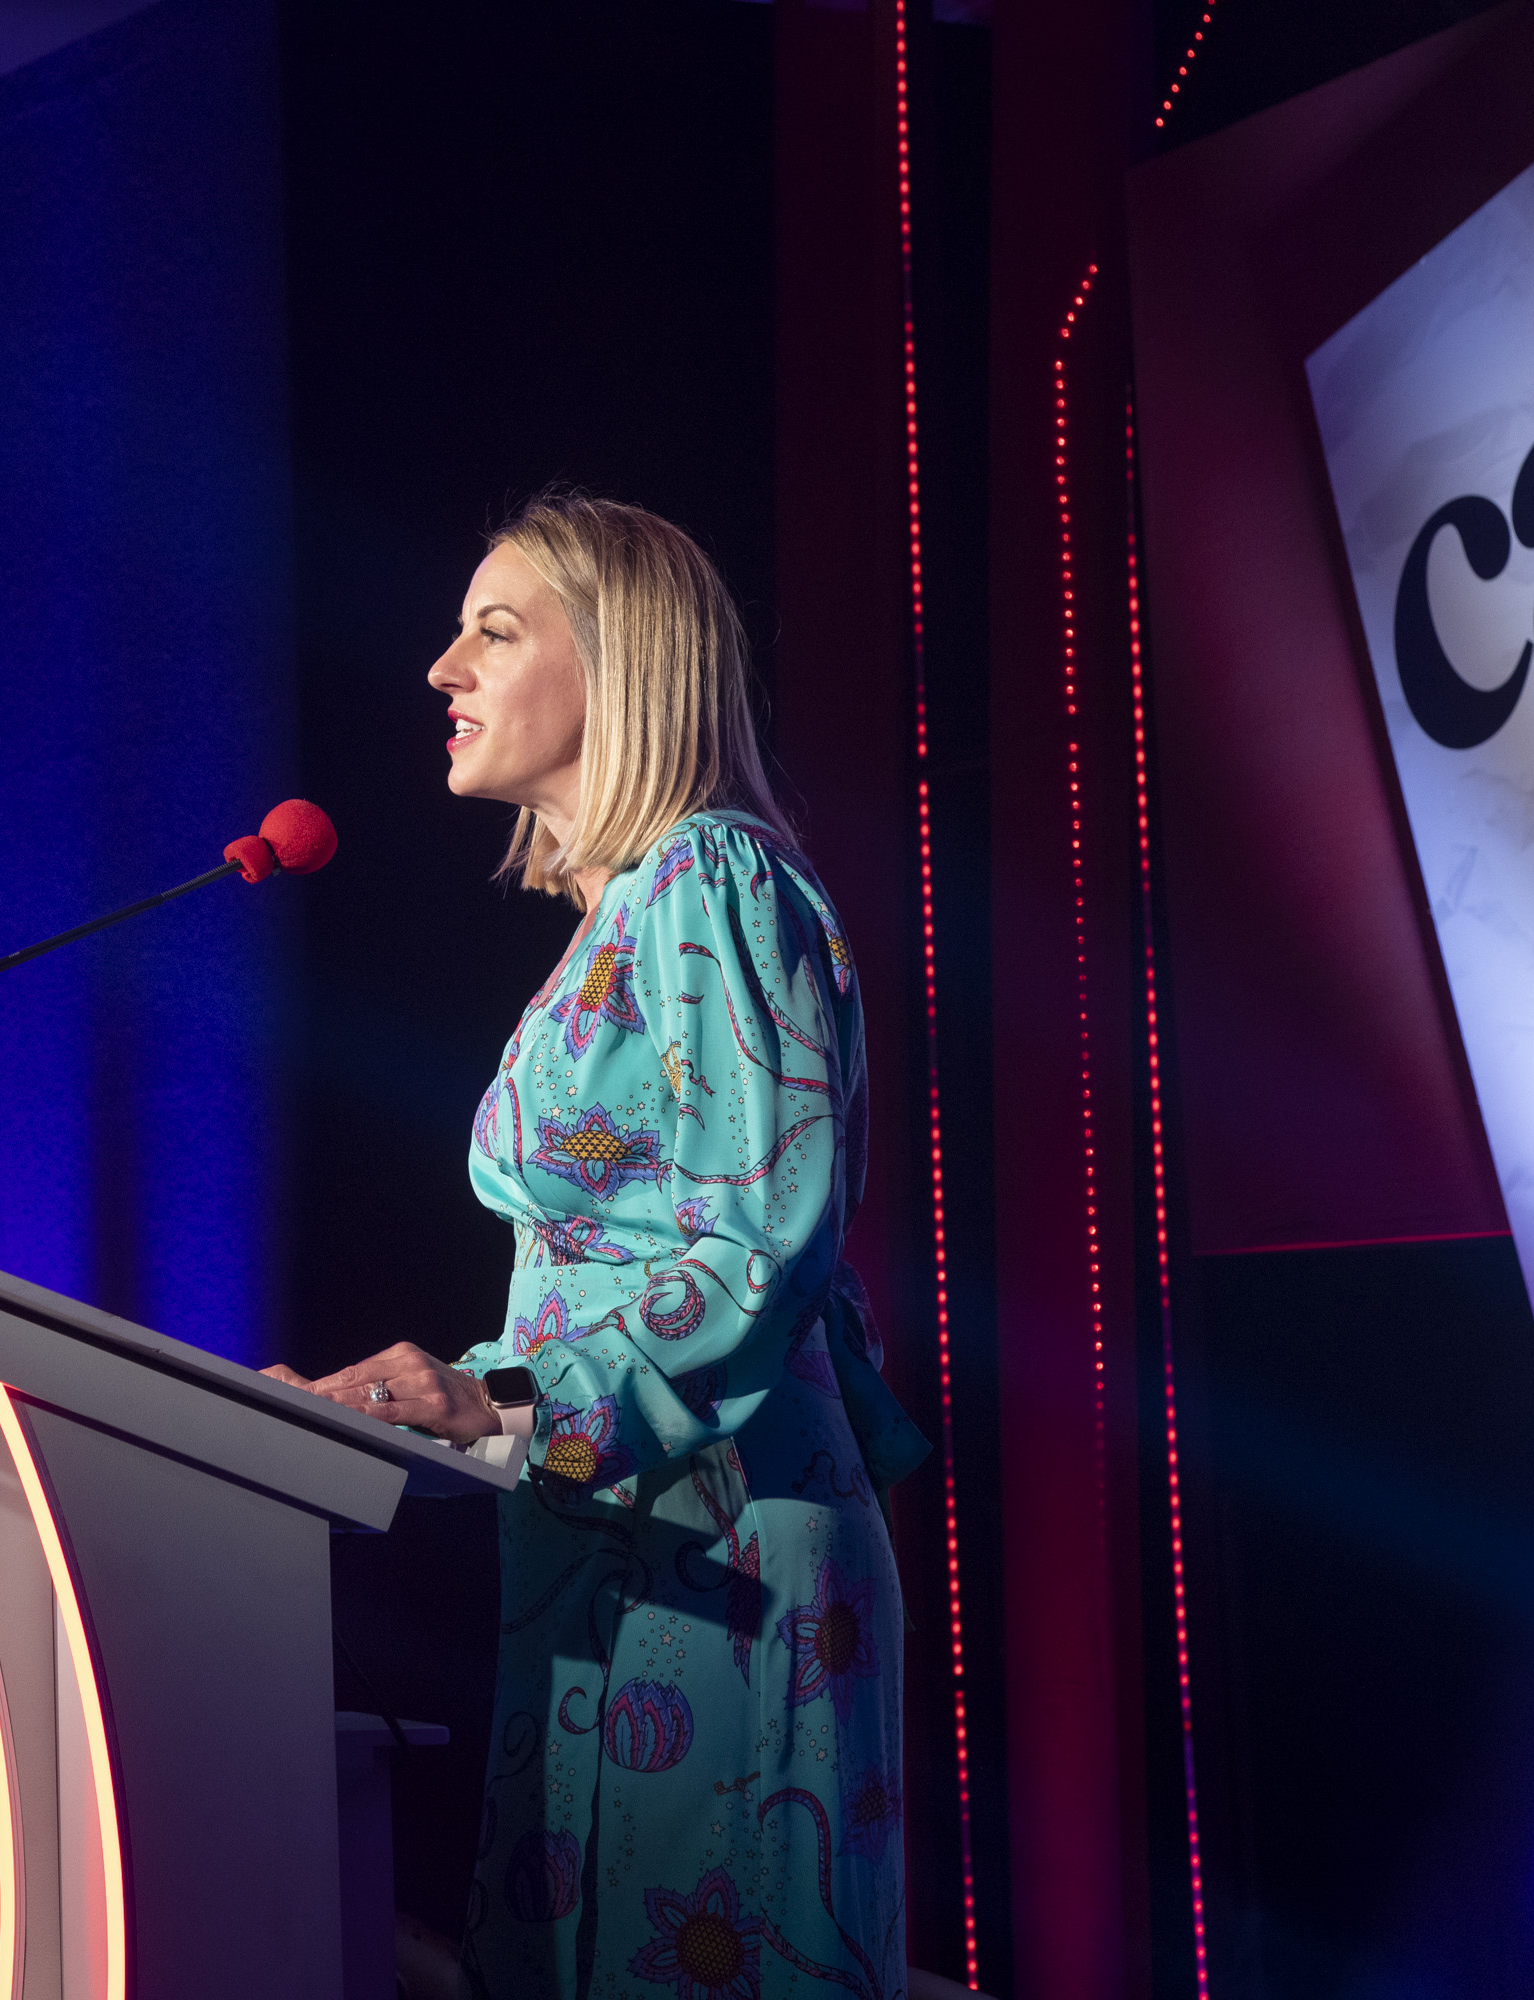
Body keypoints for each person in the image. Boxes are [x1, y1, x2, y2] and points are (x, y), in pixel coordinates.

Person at [265, 495, 928, 1998]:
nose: (443, 668)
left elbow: (759, 1244)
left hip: (723, 1545)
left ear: (621, 662)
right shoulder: (623, 914)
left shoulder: (712, 876)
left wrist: (509, 1399)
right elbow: (609, 1265)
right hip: (608, 1533)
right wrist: (433, 1393)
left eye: (494, 632)